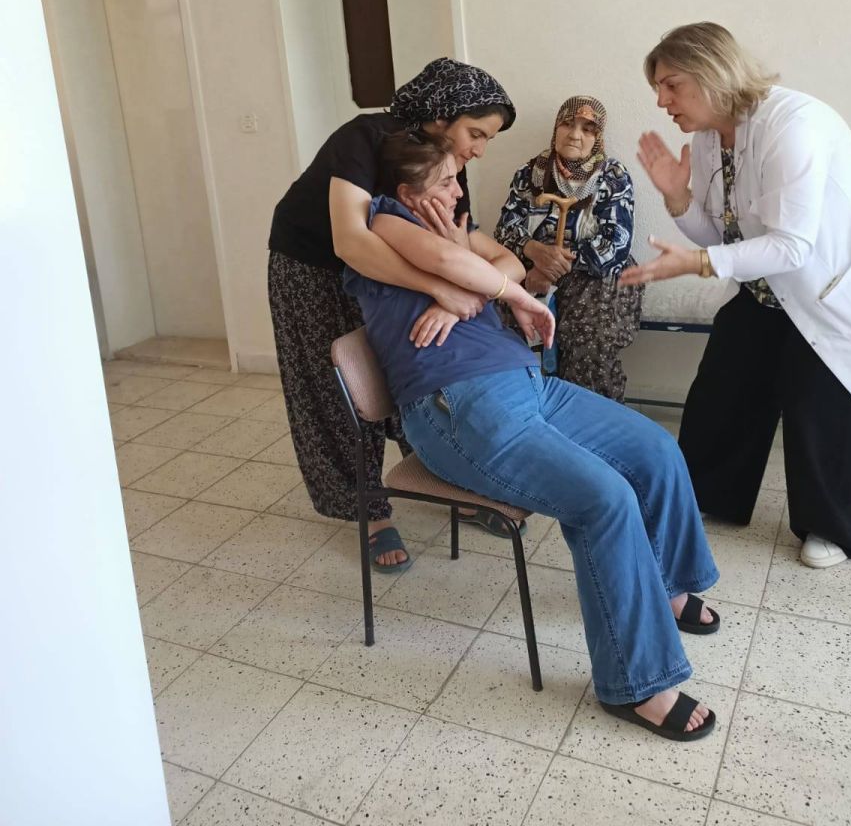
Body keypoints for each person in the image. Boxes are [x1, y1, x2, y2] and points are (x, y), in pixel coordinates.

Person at [344, 129, 722, 741]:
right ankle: (638, 684)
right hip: (459, 406)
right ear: (409, 193)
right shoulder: (385, 221)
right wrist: (477, 283)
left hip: (528, 383)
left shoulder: (452, 229)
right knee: (604, 499)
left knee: (654, 450)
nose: (458, 190)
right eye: (446, 181)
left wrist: (467, 288)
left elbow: (510, 261)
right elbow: (457, 265)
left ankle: (669, 588)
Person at [621, 22, 851, 568]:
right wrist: (677, 198)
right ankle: (710, 494)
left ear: (712, 73)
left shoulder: (793, 124)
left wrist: (697, 264)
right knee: (723, 386)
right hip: (770, 287)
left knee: (820, 409)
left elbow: (791, 246)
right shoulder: (711, 138)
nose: (661, 101)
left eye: (672, 85)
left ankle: (832, 526)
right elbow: (723, 237)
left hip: (834, 288)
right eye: (657, 88)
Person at [268, 57, 518, 573]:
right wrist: (439, 288)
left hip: (391, 269)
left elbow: (460, 244)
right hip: (313, 266)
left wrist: (457, 290)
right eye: (476, 133)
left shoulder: (449, 167)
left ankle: (442, 480)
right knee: (340, 388)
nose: (479, 150)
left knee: (410, 370)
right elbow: (351, 242)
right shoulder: (364, 137)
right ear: (442, 114)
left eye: (487, 140)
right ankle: (371, 512)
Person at [494, 95, 643, 399]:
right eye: (568, 124)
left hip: (594, 273)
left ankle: (590, 417)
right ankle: (527, 412)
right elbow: (505, 230)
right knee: (504, 329)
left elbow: (616, 243)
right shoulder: (529, 174)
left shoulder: (612, 176)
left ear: (597, 137)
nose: (575, 135)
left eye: (588, 129)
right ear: (556, 128)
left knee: (589, 341)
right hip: (531, 268)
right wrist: (534, 252)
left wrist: (553, 268)